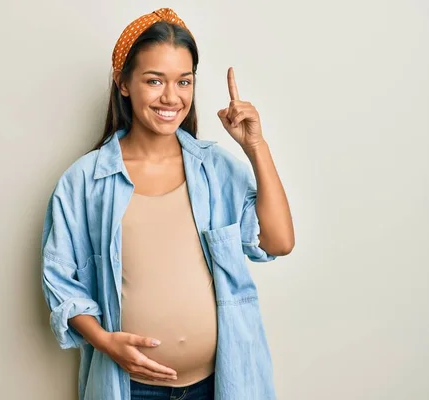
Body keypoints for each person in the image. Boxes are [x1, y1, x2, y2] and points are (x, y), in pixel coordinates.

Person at [41, 8, 294, 400]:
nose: (171, 97)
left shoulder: (217, 170)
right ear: (123, 83)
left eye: (184, 81)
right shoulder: (84, 181)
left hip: (221, 385)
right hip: (132, 389)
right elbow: (60, 281)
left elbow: (278, 243)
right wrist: (106, 343)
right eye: (154, 80)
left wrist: (255, 147)